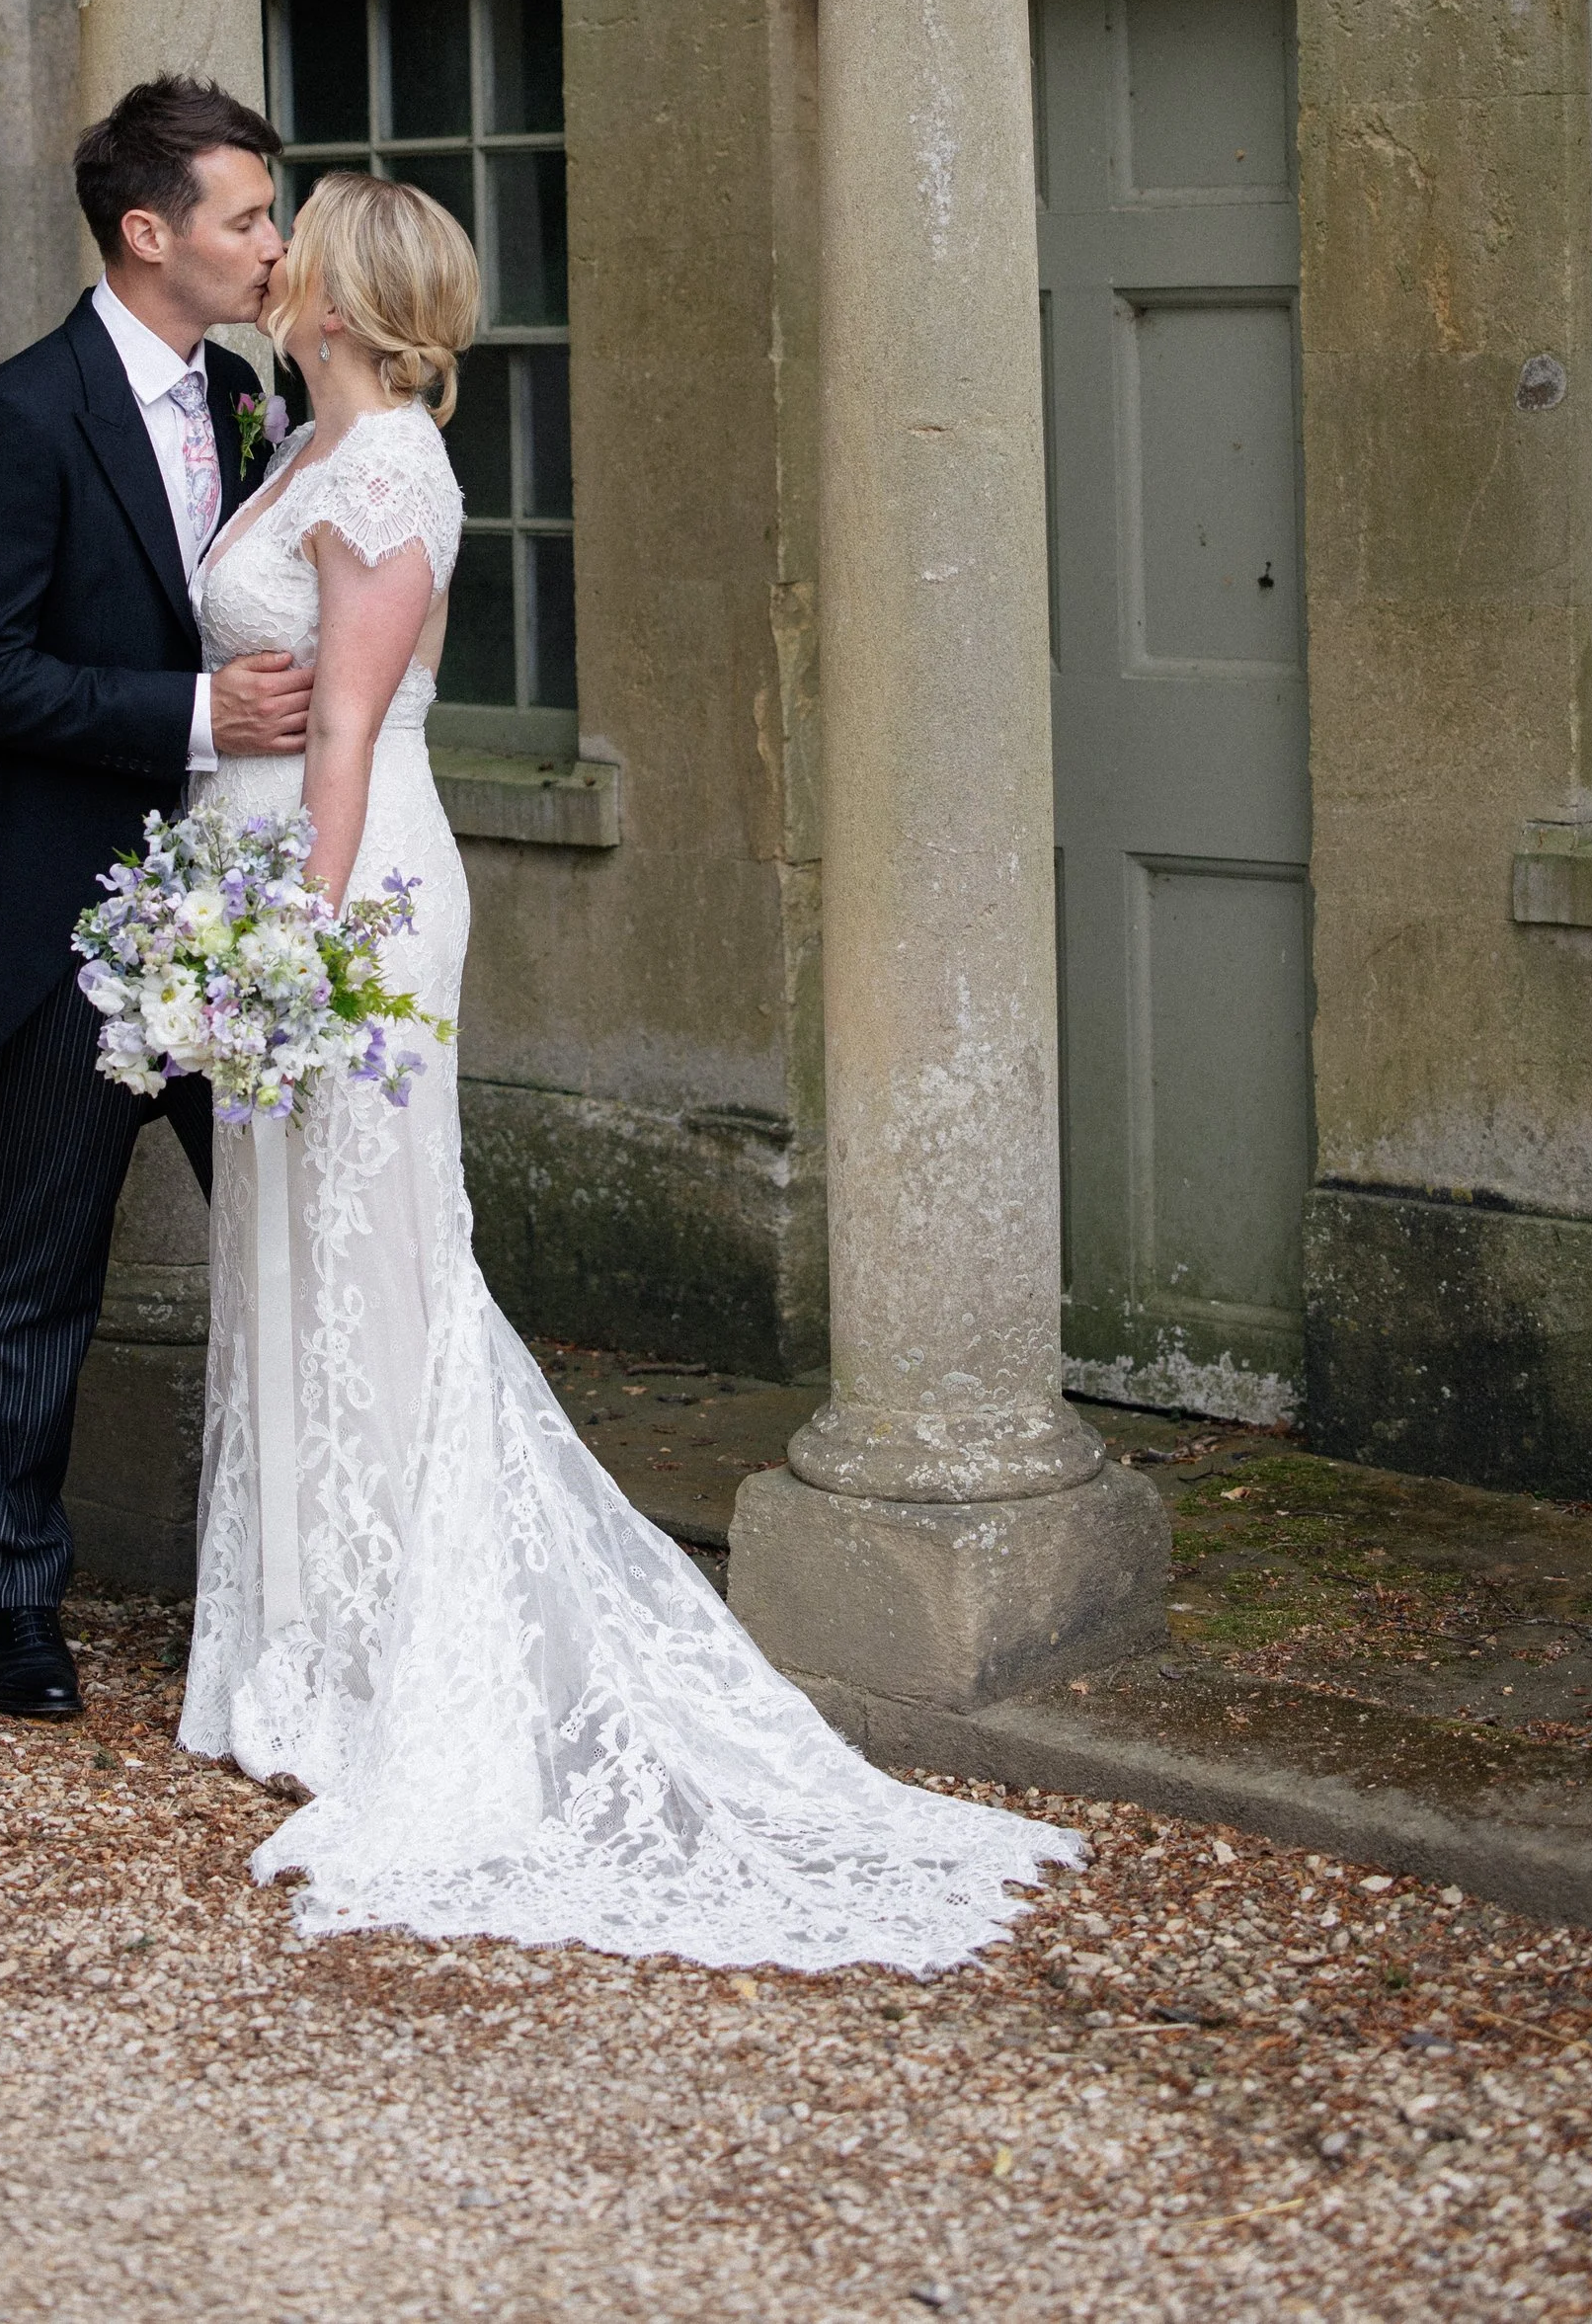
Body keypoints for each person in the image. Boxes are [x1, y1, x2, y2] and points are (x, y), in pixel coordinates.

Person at [177, 169, 1081, 1972]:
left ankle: (393, 1658)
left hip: (344, 894)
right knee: (285, 1259)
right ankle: (295, 1644)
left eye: (296, 251)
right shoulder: (298, 443)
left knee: (375, 1260)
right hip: (268, 878)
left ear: (342, 301)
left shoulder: (384, 470)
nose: (268, 266)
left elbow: (348, 725)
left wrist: (305, 948)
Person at [0, 75, 315, 1723]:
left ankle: (313, 1578)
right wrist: (202, 719)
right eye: (247, 215)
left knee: (298, 1230)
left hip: (243, 915)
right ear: (150, 233)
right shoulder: (15, 415)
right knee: (35, 1264)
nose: (272, 241)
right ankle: (10, 1597)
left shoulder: (267, 404)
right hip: (69, 922)